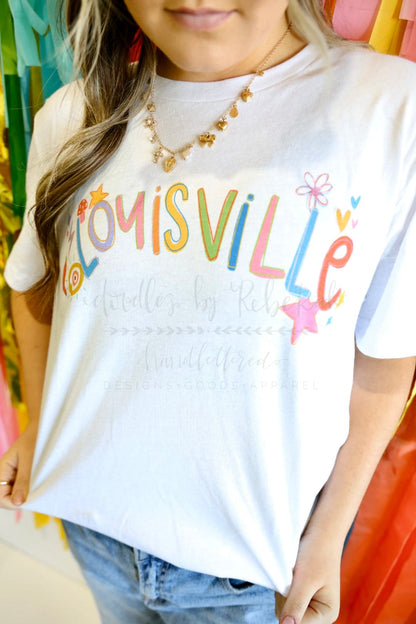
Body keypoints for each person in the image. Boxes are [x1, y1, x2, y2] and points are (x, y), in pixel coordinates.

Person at [1, 0, 415, 622]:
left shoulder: (389, 112)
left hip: (253, 577)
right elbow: (35, 282)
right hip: (95, 527)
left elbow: (385, 354)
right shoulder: (72, 114)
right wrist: (41, 428)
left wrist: (329, 535)